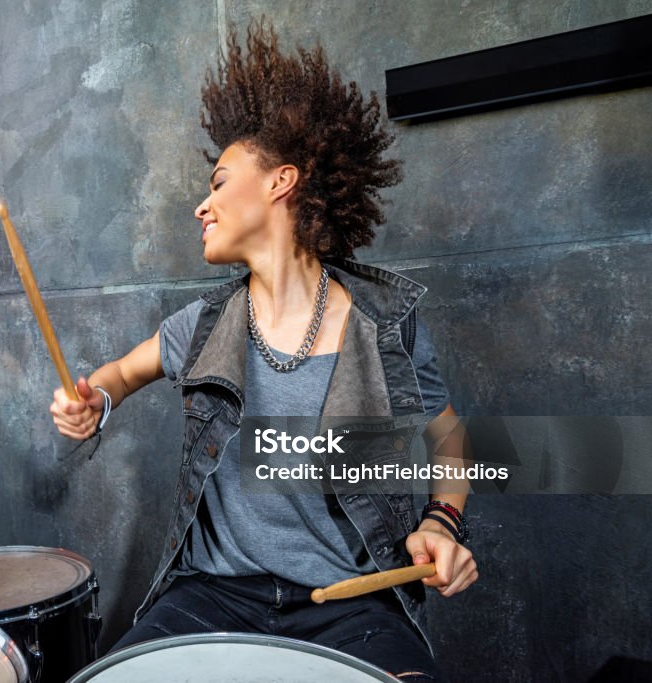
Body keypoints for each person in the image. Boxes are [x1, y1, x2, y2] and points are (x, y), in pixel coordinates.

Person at [50, 20, 476, 682]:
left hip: (354, 605)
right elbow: (117, 376)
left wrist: (444, 525)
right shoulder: (202, 325)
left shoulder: (388, 326)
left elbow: (450, 440)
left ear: (282, 181)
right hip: (211, 596)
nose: (201, 204)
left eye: (219, 182)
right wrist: (94, 400)